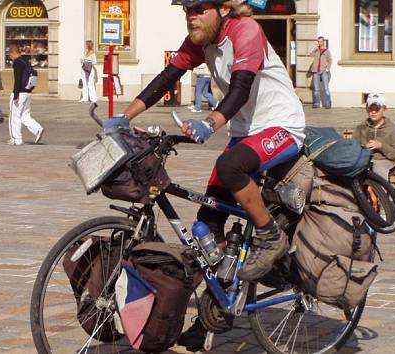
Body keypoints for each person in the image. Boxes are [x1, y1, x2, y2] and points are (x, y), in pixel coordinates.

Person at [105, 0, 304, 281]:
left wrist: (209, 124)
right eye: (187, 10)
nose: (192, 16)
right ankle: (219, 301)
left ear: (223, 9)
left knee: (230, 166)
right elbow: (166, 79)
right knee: (208, 222)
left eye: (199, 9)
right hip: (245, 133)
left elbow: (240, 90)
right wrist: (125, 117)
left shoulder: (246, 30)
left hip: (282, 126)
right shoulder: (200, 41)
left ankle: (270, 235)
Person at [352, 93, 395, 179]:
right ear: (367, 109)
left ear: (384, 109)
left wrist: (381, 146)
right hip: (364, 161)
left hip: (384, 161)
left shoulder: (392, 128)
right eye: (371, 109)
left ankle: (378, 192)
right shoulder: (361, 128)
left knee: (378, 170)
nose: (373, 112)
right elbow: (352, 149)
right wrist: (364, 148)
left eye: (377, 109)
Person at [8, 44, 44, 145]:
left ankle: (16, 139)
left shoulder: (17, 62)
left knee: (14, 116)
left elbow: (17, 79)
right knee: (25, 115)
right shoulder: (26, 61)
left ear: (13, 53)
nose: (10, 57)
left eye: (10, 55)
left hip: (20, 92)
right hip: (28, 92)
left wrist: (15, 94)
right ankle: (37, 129)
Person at [309, 36, 332, 109]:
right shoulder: (316, 50)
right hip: (316, 71)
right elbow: (310, 55)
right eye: (318, 41)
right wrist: (314, 49)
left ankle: (328, 104)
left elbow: (330, 60)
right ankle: (316, 103)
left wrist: (327, 68)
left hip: (323, 71)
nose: (320, 43)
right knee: (316, 89)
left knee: (326, 88)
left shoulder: (326, 51)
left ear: (323, 42)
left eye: (321, 41)